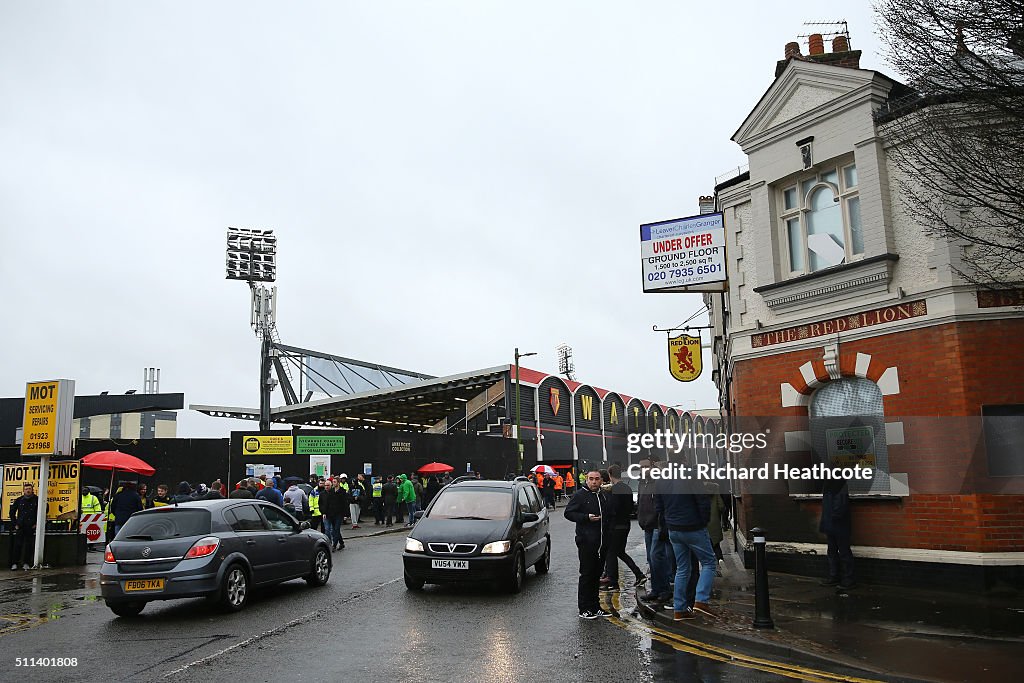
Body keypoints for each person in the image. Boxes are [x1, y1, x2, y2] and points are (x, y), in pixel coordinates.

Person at [656, 479, 717, 621]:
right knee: (709, 563)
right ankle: (701, 600)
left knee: (682, 568)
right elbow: (702, 500)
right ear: (684, 460)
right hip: (693, 527)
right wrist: (703, 522)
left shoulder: (661, 481)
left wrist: (670, 521)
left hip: (674, 529)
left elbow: (659, 507)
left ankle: (680, 609)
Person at [564, 470, 612, 619]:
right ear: (586, 480)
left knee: (596, 575)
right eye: (591, 479)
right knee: (587, 575)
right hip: (586, 542)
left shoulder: (603, 495)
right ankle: (584, 608)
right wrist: (586, 517)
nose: (594, 482)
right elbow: (568, 513)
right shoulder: (580, 495)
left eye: (597, 479)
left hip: (601, 543)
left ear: (601, 481)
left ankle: (595, 606)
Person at [601, 464, 646, 592]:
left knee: (611, 553)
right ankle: (639, 574)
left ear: (610, 475)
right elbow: (630, 506)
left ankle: (613, 583)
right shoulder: (626, 488)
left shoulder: (614, 490)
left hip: (615, 525)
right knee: (619, 552)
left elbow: (613, 508)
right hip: (626, 524)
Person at [636, 458, 673, 606]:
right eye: (641, 467)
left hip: (658, 525)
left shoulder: (658, 481)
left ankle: (664, 591)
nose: (644, 469)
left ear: (653, 466)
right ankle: (656, 590)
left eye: (646, 466)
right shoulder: (641, 482)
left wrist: (662, 524)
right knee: (651, 560)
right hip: (647, 526)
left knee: (657, 557)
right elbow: (640, 503)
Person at [820, 477, 855, 590]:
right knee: (833, 552)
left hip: (839, 525)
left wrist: (831, 520)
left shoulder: (838, 486)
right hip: (832, 525)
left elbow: (840, 507)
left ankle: (847, 579)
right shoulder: (830, 486)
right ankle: (835, 576)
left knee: (843, 552)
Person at [9, 483, 39, 570]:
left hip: (31, 526)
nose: (28, 490)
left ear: (32, 490)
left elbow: (44, 510)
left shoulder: (37, 500)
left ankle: (26, 563)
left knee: (29, 546)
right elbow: (12, 512)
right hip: (21, 526)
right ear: (23, 490)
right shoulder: (19, 500)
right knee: (17, 545)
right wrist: (15, 524)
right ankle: (14, 563)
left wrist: (37, 523)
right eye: (26, 489)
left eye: (29, 489)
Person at [320, 480, 346, 551]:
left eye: (335, 482)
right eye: (333, 482)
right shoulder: (330, 492)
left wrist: (346, 514)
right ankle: (341, 543)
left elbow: (344, 503)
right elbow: (325, 504)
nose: (326, 487)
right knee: (333, 530)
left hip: (339, 514)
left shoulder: (342, 491)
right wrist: (324, 512)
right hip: (330, 514)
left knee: (336, 529)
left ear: (338, 483)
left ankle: (334, 545)